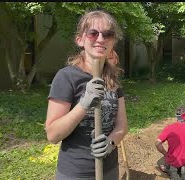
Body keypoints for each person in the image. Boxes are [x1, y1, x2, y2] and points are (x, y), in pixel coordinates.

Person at [44, 10, 128, 180]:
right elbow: (53, 135)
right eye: (93, 33)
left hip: (109, 171)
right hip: (75, 173)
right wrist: (84, 104)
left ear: (113, 42)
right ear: (80, 40)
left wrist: (111, 143)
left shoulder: (112, 79)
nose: (101, 39)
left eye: (108, 34)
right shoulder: (66, 77)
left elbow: (122, 126)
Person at [155, 105, 185, 180]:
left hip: (172, 160)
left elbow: (157, 143)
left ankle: (172, 171)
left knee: (160, 163)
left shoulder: (169, 128)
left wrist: (165, 154)